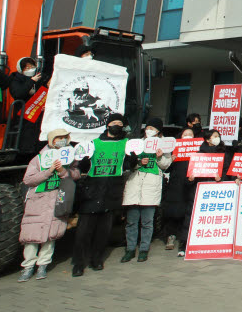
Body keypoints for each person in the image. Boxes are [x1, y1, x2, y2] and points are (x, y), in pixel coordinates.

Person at [72, 113, 134, 276]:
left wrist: (133, 158)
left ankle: (96, 260)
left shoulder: (126, 144)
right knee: (83, 232)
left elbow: (128, 165)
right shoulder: (94, 143)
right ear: (107, 125)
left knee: (103, 231)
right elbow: (84, 166)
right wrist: (84, 160)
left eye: (119, 123)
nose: (116, 125)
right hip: (92, 191)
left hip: (112, 192)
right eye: (113, 122)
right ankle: (78, 263)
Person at [18, 128, 81, 282]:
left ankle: (43, 265)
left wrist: (62, 172)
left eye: (64, 138)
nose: (61, 141)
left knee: (50, 237)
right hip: (38, 203)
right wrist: (48, 171)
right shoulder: (38, 159)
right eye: (58, 138)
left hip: (57, 201)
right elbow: (29, 180)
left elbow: (76, 175)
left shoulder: (69, 156)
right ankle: (28, 266)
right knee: (31, 238)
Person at [121, 117, 172, 263]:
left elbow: (166, 165)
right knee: (131, 221)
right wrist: (137, 162)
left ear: (158, 131)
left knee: (147, 221)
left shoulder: (164, 145)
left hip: (151, 187)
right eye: (148, 127)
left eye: (154, 128)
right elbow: (128, 164)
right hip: (134, 184)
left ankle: (144, 249)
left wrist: (160, 157)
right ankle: (130, 249)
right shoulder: (136, 143)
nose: (150, 130)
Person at [161, 128, 196, 253]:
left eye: (190, 134)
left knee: (187, 211)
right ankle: (170, 235)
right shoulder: (174, 149)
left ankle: (183, 238)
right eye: (185, 134)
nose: (187, 136)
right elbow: (166, 168)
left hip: (191, 184)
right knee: (173, 210)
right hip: (176, 184)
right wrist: (171, 159)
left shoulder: (197, 150)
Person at [8, 57, 48, 153]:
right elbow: (18, 94)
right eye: (27, 68)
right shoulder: (15, 79)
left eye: (32, 66)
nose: (30, 69)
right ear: (21, 70)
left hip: (39, 113)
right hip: (23, 114)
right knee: (26, 135)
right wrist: (31, 81)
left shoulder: (42, 78)